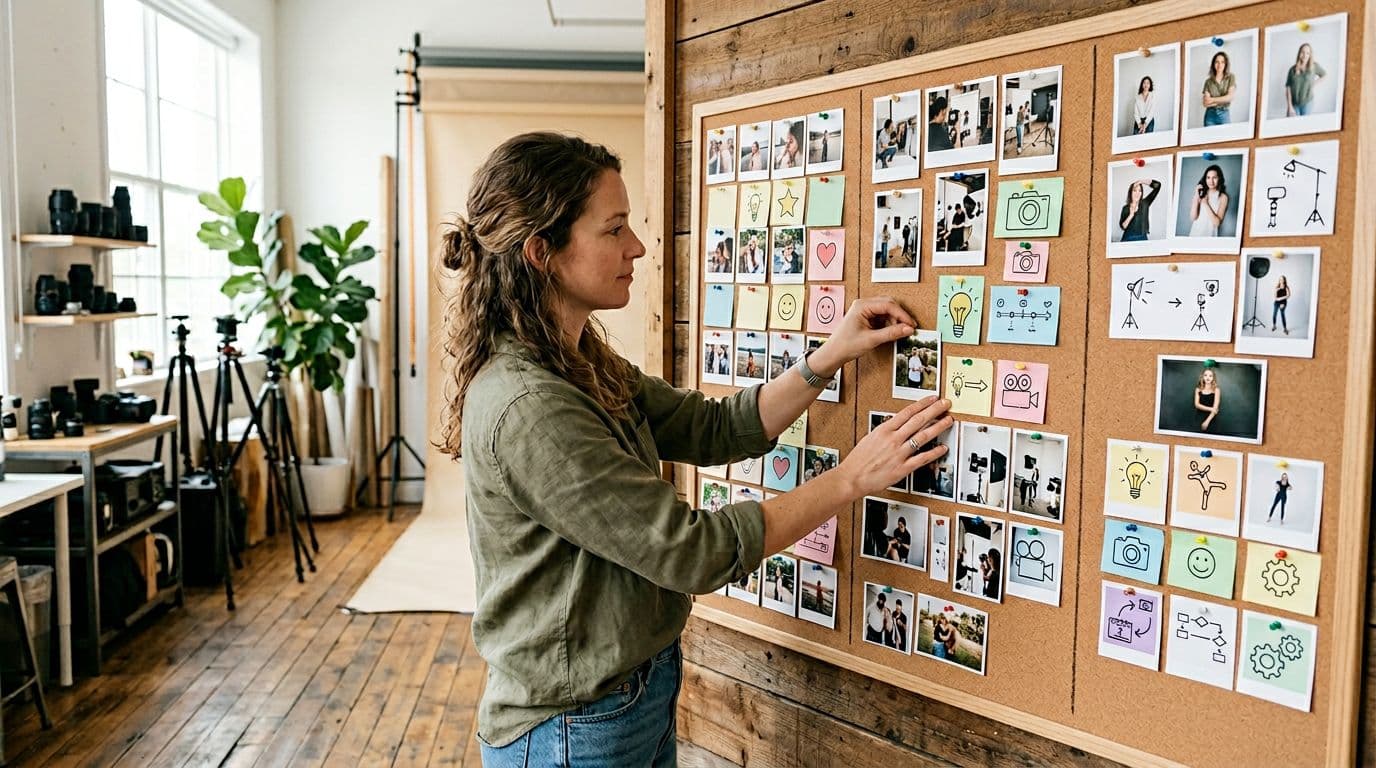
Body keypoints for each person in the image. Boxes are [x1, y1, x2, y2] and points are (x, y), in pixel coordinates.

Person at [444, 132, 955, 766]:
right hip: (572, 729)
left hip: (629, 699)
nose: (638, 247)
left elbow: (712, 428)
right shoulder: (530, 407)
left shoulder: (577, 360)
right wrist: (849, 479)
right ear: (541, 252)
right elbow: (691, 552)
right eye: (614, 229)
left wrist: (830, 355)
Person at [1285, 43, 1327, 117]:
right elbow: (1288, 88)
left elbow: (1324, 75)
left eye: (1307, 53)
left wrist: (1314, 83)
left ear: (1310, 55)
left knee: (1305, 126)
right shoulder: (1292, 70)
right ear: (1299, 53)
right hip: (1294, 104)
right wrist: (1290, 106)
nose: (1305, 55)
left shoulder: (1314, 66)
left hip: (1308, 103)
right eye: (1302, 52)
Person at [1189, 164, 1229, 238]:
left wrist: (1206, 204)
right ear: (1205, 178)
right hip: (1195, 233)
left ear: (1219, 178)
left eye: (1214, 178)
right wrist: (1196, 196)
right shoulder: (1201, 192)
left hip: (1210, 235)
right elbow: (1193, 217)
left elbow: (1217, 223)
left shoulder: (1223, 197)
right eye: (1208, 177)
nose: (1211, 181)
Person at [1201, 50, 1236, 127]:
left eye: (1222, 62)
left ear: (1226, 64)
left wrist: (1212, 99)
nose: (1219, 65)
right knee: (1209, 138)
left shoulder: (1231, 77)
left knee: (1227, 138)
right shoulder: (1208, 82)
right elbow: (1205, 103)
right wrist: (1223, 100)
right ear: (1213, 64)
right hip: (1210, 116)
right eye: (1217, 62)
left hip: (1224, 114)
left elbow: (1230, 97)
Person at [1194, 366, 1221, 432]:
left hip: (1211, 418)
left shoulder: (1216, 390)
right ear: (1202, 377)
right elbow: (1197, 405)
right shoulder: (1198, 389)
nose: (1208, 377)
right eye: (1205, 375)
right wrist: (1211, 409)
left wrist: (1207, 422)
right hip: (1198, 418)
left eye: (1210, 376)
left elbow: (1215, 408)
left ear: (1213, 378)